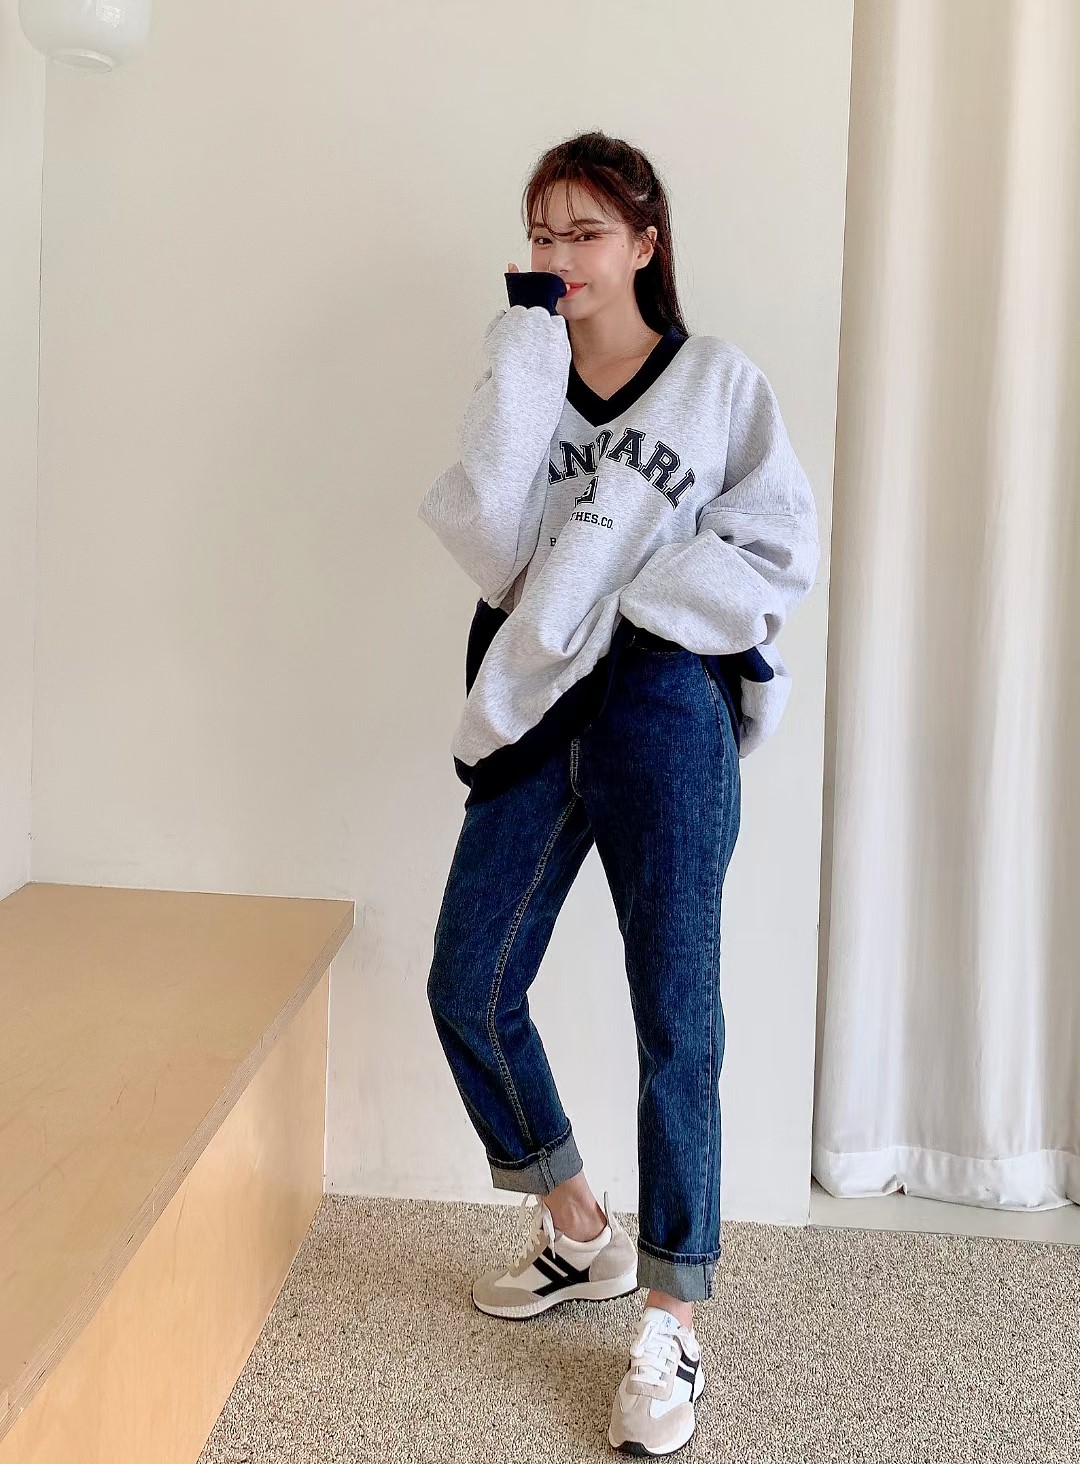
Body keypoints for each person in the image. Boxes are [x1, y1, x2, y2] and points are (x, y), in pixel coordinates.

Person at [417, 129, 819, 1458]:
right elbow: (491, 548)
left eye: (585, 232)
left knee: (676, 1013)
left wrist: (647, 607)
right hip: (539, 702)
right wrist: (525, 361)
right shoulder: (527, 380)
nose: (559, 255)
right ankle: (579, 1225)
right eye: (541, 233)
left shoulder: (715, 382)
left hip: (659, 698)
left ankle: (673, 1315)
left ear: (646, 242)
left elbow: (779, 539)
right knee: (469, 981)